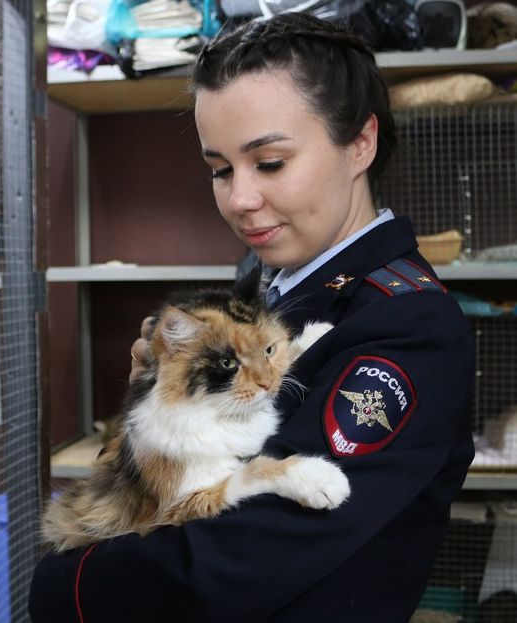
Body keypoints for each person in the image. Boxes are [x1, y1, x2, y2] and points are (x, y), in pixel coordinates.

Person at [29, 12, 475, 622]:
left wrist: (65, 583)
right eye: (220, 169)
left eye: (269, 163)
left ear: (360, 143)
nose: (240, 199)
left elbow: (242, 556)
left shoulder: (408, 328)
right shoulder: (264, 280)